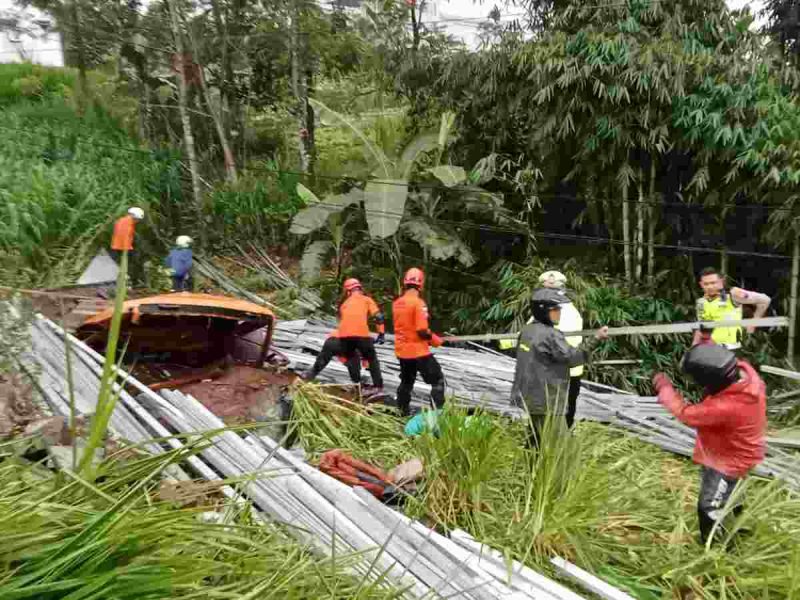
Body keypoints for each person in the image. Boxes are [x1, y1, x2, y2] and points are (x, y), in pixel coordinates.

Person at [652, 344, 766, 546]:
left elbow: (686, 414)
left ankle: (718, 550)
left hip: (728, 462)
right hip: (736, 450)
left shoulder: (725, 406)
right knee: (730, 495)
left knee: (709, 507)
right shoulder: (747, 375)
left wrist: (664, 388)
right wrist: (703, 342)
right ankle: (739, 528)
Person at [510, 287, 608, 449]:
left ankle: (530, 466)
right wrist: (596, 338)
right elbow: (573, 358)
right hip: (547, 399)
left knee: (535, 441)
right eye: (555, 310)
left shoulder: (527, 331)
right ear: (543, 311)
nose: (559, 313)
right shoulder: (551, 335)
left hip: (529, 395)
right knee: (561, 449)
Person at [303, 278, 385, 388]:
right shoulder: (367, 300)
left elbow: (345, 329)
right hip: (363, 339)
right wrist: (381, 334)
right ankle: (377, 387)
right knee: (371, 358)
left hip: (345, 340)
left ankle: (312, 373)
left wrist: (345, 359)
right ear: (360, 289)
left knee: (337, 348)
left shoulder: (344, 305)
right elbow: (379, 317)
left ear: (347, 292)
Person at [392, 268, 445, 417]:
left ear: (405, 282)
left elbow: (405, 327)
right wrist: (434, 340)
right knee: (438, 381)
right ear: (421, 284)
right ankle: (436, 416)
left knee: (406, 383)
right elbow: (421, 330)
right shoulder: (419, 303)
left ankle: (402, 413)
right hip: (418, 352)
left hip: (403, 352)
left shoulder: (397, 303)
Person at [693, 267, 771, 350]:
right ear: (701, 284)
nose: (710, 287)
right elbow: (701, 330)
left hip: (731, 349)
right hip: (709, 349)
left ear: (721, 282)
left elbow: (765, 300)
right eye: (706, 284)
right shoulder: (701, 302)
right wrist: (693, 349)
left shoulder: (733, 294)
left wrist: (754, 322)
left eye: (713, 283)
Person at [110, 206, 145, 288]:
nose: (138, 221)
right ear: (134, 216)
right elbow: (124, 236)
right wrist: (127, 249)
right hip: (123, 248)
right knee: (131, 265)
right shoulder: (128, 223)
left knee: (121, 266)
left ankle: (128, 283)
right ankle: (131, 284)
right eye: (138, 219)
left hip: (116, 247)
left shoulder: (121, 220)